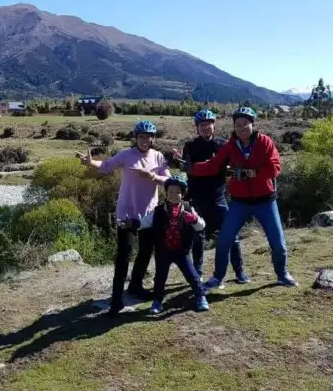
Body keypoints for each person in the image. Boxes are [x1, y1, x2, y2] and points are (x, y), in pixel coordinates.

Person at [189, 107, 296, 288]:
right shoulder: (230, 146)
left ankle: (282, 274)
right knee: (224, 241)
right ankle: (217, 277)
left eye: (245, 124)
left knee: (277, 242)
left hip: (265, 200)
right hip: (240, 202)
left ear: (252, 124)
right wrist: (191, 168)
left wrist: (248, 174)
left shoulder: (264, 142)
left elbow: (274, 169)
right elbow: (214, 165)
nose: (241, 128)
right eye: (238, 125)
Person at [77, 120, 170, 317]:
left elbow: (168, 181)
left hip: (149, 214)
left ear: (153, 138)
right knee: (123, 256)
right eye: (141, 136)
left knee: (146, 251)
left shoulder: (159, 157)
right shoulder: (126, 155)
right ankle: (117, 298)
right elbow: (106, 166)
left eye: (148, 136)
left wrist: (153, 177)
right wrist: (90, 162)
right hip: (127, 213)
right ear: (135, 138)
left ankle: (135, 286)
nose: (145, 140)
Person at [171, 110, 249, 283]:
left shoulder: (223, 144)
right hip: (197, 200)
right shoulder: (190, 146)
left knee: (232, 236)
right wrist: (184, 164)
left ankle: (240, 272)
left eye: (208, 124)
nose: (205, 128)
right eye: (201, 125)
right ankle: (198, 273)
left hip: (218, 198)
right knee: (198, 238)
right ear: (197, 128)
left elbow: (231, 167)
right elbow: (189, 169)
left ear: (214, 125)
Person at [123, 174, 210, 314]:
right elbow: (145, 222)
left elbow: (201, 226)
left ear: (183, 193)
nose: (174, 195)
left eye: (178, 192)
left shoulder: (188, 208)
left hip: (182, 252)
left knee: (192, 275)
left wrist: (193, 219)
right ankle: (157, 302)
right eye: (170, 192)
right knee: (160, 278)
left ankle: (201, 297)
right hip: (163, 252)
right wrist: (131, 223)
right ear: (166, 192)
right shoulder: (158, 211)